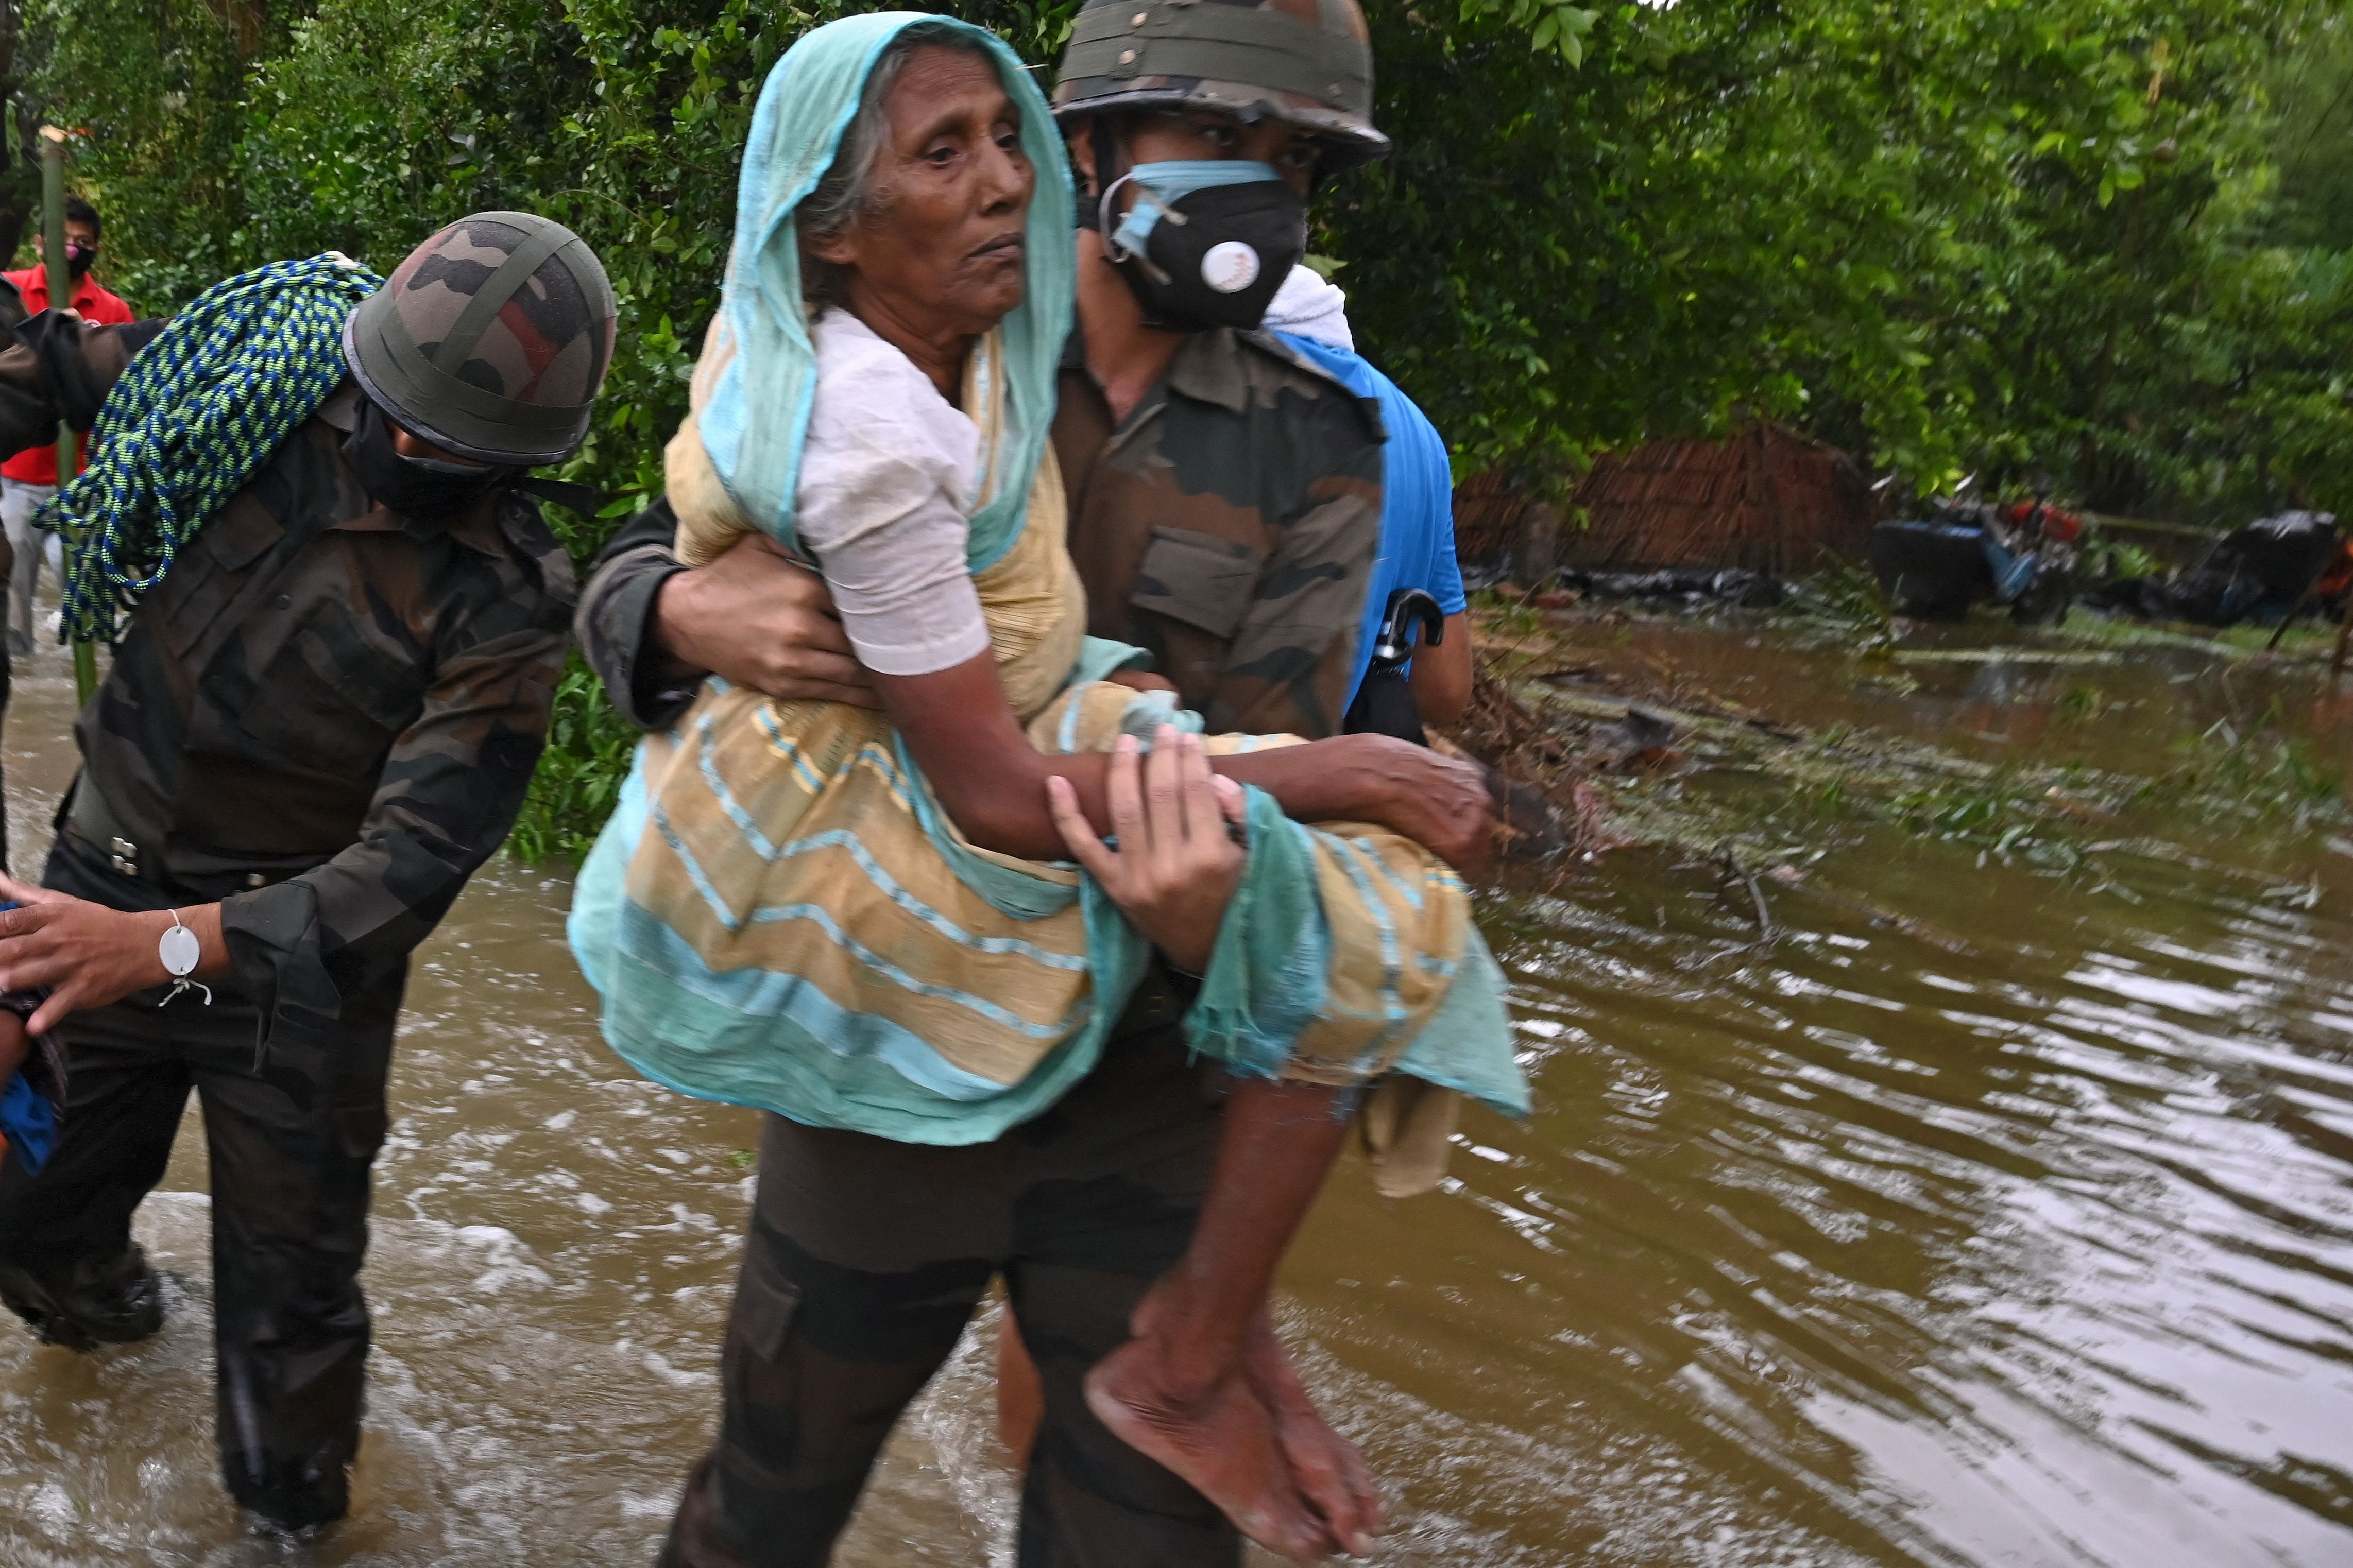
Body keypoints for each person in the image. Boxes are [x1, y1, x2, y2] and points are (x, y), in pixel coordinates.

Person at [570, 10, 1525, 1566]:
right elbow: (673, 526)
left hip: (1138, 1107)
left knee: (1138, 1542)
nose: (1254, 188)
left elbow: (1264, 786)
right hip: (881, 1068)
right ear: (1090, 145)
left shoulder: (1325, 440)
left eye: (1290, 161)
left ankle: (1191, 1359)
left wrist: (1233, 1304)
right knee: (764, 1506)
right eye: (1214, 141)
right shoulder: (905, 323)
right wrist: (670, 616)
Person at [0, 213, 615, 1530]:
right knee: (28, 1228)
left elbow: (403, 876)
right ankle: (122, 1327)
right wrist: (35, 356)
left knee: (289, 1353)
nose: (402, 455)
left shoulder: (505, 603)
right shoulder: (260, 380)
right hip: (91, 891)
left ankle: (293, 1531)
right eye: (393, 417)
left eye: (450, 451)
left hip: (290, 982)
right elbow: (57, 364)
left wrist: (160, 948)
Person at [2, 195, 136, 657]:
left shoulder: (112, 309)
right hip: (18, 475)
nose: (74, 248)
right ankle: (20, 663)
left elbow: (125, 395)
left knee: (80, 578)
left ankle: (84, 664)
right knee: (14, 584)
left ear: (96, 247)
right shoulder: (12, 293)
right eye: (65, 239)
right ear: (40, 245)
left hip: (80, 478)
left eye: (85, 241)